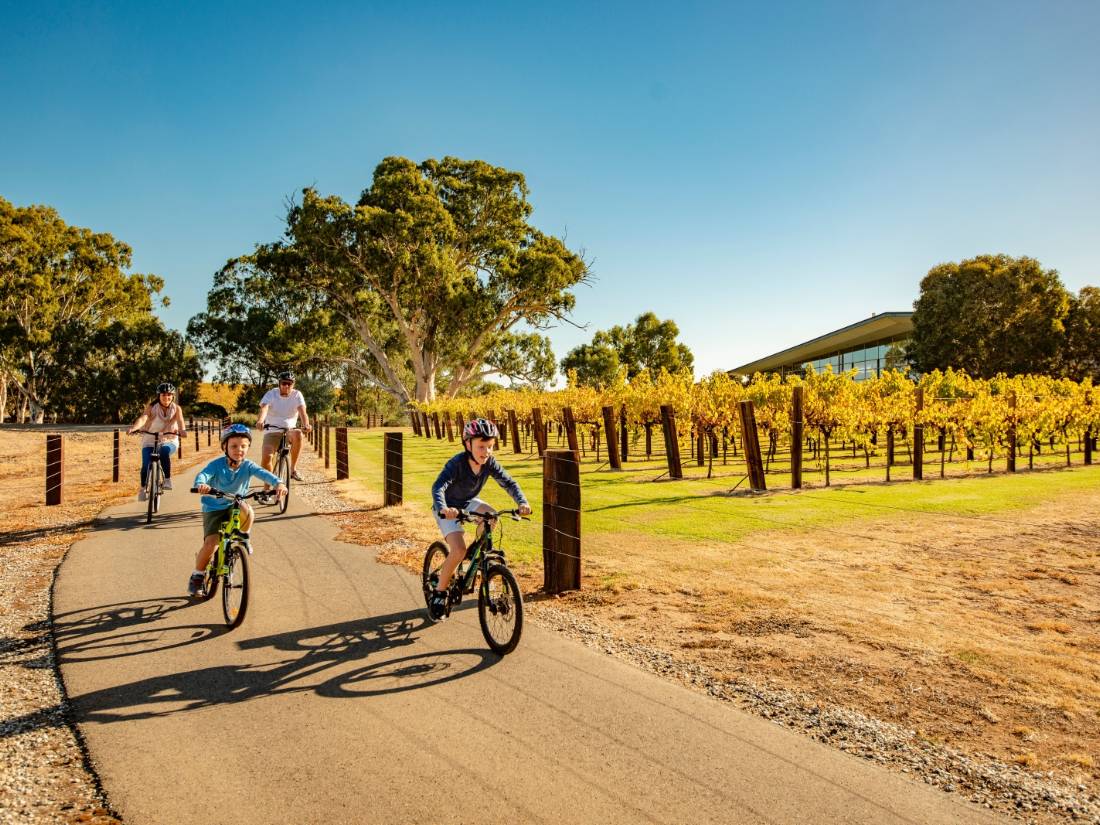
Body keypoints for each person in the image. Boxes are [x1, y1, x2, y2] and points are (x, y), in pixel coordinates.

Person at [428, 418, 532, 620]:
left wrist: (522, 502)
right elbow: (438, 487)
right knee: (457, 549)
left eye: (490, 447)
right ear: (468, 444)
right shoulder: (456, 464)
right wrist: (443, 508)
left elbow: (509, 483)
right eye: (481, 447)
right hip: (448, 506)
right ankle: (440, 593)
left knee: (491, 516)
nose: (486, 452)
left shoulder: (490, 463)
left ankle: (473, 552)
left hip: (467, 501)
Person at [189, 423, 286, 597]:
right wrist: (201, 484)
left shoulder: (248, 465)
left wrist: (278, 483)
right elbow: (203, 474)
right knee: (212, 544)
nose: (239, 450)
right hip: (214, 507)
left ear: (248, 447)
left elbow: (264, 474)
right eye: (234, 446)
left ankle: (244, 536)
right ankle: (197, 575)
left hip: (235, 503)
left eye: (243, 446)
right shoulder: (216, 465)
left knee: (247, 509)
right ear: (225, 447)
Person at [127, 382, 186, 499]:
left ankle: (167, 480)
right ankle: (143, 489)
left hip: (169, 439)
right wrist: (134, 428)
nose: (166, 397)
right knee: (146, 464)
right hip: (150, 439)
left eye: (169, 394)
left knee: (164, 452)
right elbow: (143, 418)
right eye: (163, 394)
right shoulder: (152, 407)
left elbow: (180, 421)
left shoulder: (176, 409)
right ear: (158, 396)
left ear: (172, 396)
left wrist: (182, 430)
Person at [256, 370, 312, 485]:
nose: (286, 386)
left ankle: (293, 469)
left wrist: (306, 424)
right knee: (267, 458)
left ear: (293, 385)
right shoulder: (272, 393)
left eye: (289, 383)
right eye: (284, 383)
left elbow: (302, 411)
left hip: (289, 430)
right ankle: (267, 488)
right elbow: (264, 408)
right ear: (279, 384)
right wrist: (261, 421)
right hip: (272, 431)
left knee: (298, 434)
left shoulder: (297, 395)